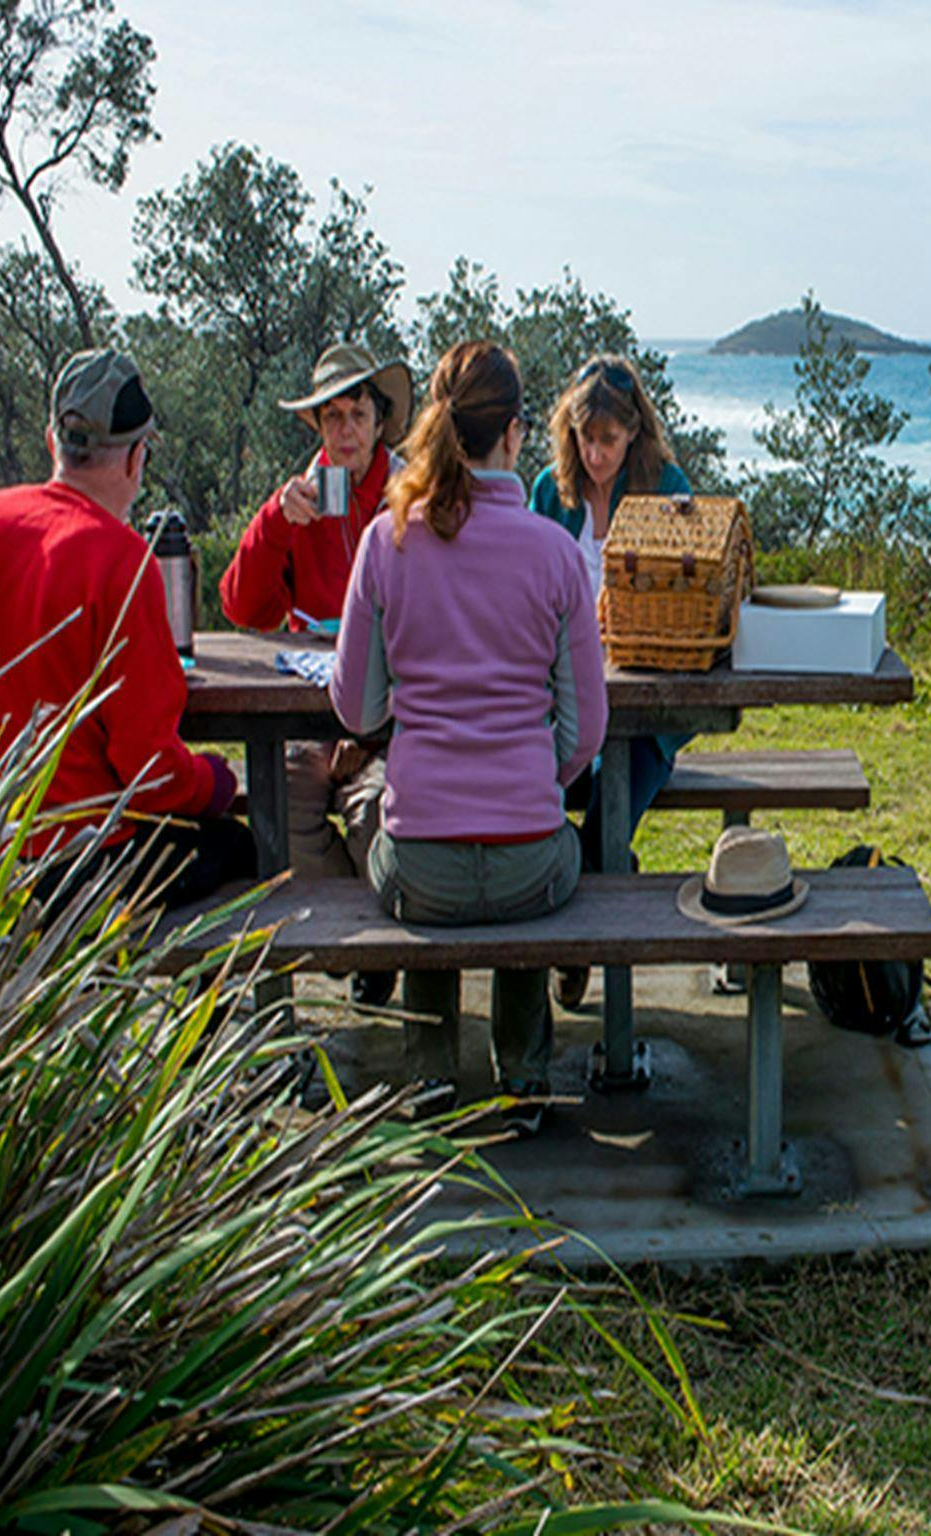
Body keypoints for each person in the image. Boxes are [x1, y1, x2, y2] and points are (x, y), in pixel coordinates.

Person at [331, 341, 605, 1132]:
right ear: (515, 436)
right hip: (530, 865)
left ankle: (428, 1079)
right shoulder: (555, 555)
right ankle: (522, 1078)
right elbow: (585, 729)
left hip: (420, 869)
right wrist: (532, 777)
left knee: (410, 851)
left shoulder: (386, 541)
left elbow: (356, 709)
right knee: (537, 854)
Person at [0, 347, 254, 910]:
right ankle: (219, 997)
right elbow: (149, 772)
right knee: (239, 849)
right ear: (135, 460)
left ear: (53, 443)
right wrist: (216, 782)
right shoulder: (122, 560)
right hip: (69, 867)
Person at [222, 343, 412, 1005]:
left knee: (374, 823)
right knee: (277, 814)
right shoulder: (297, 500)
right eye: (331, 418)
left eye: (356, 414)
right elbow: (243, 607)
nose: (345, 431)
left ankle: (380, 949)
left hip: (393, 720)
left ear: (380, 421)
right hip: (309, 713)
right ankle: (350, 944)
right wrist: (274, 520)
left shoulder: (412, 497)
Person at [528, 355, 692, 1007]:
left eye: (608, 440)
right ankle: (596, 898)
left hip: (646, 708)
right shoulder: (549, 489)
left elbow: (688, 588)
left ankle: (577, 950)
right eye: (584, 438)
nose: (594, 454)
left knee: (603, 820)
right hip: (561, 702)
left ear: (634, 435)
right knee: (531, 802)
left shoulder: (666, 485)